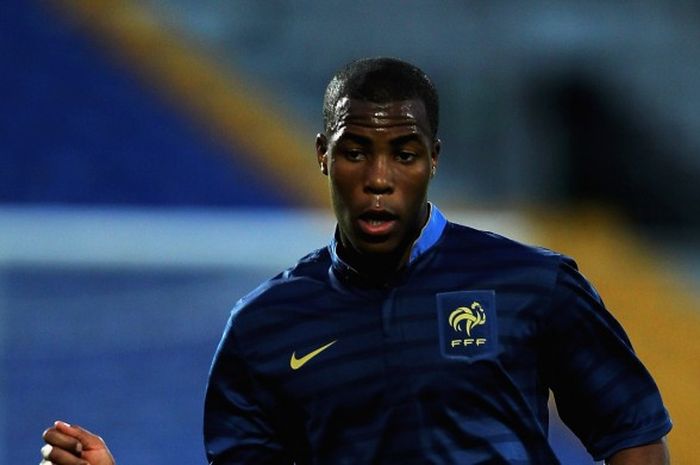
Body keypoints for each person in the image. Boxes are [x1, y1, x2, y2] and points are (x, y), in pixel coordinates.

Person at [41, 57, 671, 464]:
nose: (378, 178)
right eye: (354, 151)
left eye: (404, 153)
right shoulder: (266, 327)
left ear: (434, 160)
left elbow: (635, 438)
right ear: (322, 155)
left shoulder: (533, 284)